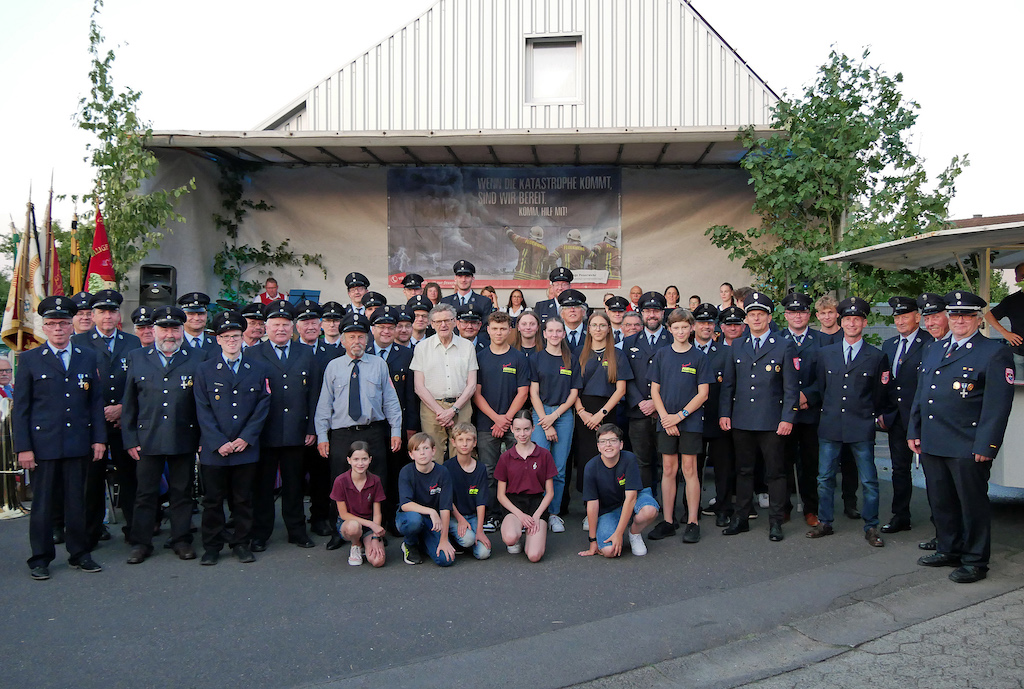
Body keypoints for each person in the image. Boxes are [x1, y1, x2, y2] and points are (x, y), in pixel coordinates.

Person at [909, 291, 1015, 583]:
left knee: (972, 506)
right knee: (941, 501)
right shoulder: (934, 349)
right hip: (933, 441)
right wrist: (914, 431)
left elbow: (997, 406)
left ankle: (975, 561)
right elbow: (922, 395)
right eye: (955, 315)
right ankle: (948, 548)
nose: (959, 321)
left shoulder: (993, 352)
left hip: (967, 444)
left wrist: (987, 445)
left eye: (967, 316)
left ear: (979, 320)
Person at [14, 295, 106, 580]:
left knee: (76, 501)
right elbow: (22, 408)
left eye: (63, 323)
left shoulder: (87, 357)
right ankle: (40, 558)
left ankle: (80, 553)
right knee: (43, 505)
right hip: (44, 445)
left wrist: (99, 439)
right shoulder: (29, 359)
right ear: (43, 327)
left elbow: (94, 402)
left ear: (72, 325)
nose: (58, 329)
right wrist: (24, 448)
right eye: (52, 324)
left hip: (78, 441)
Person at [121, 305, 206, 564]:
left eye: (175, 328)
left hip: (184, 435)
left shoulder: (198, 357)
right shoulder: (137, 356)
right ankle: (141, 542)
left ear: (182, 330)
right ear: (153, 330)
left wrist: (203, 439)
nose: (169, 334)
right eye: (164, 328)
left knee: (182, 493)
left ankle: (181, 539)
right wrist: (130, 438)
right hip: (148, 437)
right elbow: (130, 402)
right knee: (145, 494)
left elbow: (203, 403)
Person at [806, 297, 892, 548]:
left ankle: (871, 526)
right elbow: (821, 388)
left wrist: (867, 414)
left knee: (869, 480)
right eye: (847, 319)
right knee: (824, 478)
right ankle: (825, 521)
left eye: (857, 319)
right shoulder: (824, 354)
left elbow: (879, 394)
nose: (852, 323)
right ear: (841, 322)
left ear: (864, 322)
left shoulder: (876, 356)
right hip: (831, 423)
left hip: (860, 424)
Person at [315, 312, 403, 546]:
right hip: (342, 434)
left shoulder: (379, 364)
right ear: (343, 340)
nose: (357, 342)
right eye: (352, 336)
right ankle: (340, 530)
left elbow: (391, 402)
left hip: (373, 431)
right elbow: (324, 405)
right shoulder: (333, 367)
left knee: (378, 482)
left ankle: (377, 530)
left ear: (368, 339)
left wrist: (395, 431)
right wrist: (322, 436)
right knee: (339, 483)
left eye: (361, 337)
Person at [719, 291, 799, 542]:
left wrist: (787, 418)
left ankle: (776, 522)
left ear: (768, 317)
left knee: (775, 473)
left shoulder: (784, 345)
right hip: (742, 419)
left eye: (760, 315)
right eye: (751, 315)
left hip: (772, 421)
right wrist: (725, 413)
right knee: (743, 471)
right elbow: (728, 385)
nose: (755, 319)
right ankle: (741, 518)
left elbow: (791, 387)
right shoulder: (737, 345)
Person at [193, 311, 271, 565]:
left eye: (236, 336)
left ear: (242, 337)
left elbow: (262, 406)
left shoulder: (257, 369)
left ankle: (241, 542)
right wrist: (218, 442)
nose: (231, 341)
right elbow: (202, 409)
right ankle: (212, 546)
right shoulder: (204, 370)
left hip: (245, 447)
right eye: (226, 337)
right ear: (217, 339)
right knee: (213, 500)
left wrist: (246, 438)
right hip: (215, 449)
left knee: (243, 499)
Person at [71, 289, 142, 547]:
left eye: (112, 311)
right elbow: (76, 386)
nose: (108, 316)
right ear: (92, 315)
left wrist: (123, 407)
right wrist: (100, 410)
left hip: (124, 422)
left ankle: (135, 530)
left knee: (130, 478)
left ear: (118, 314)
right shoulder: (78, 343)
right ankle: (91, 532)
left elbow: (139, 383)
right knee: (91, 481)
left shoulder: (132, 342)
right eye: (102, 311)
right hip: (93, 424)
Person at [246, 301, 319, 552]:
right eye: (276, 324)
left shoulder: (305, 353)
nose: (281, 329)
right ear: (266, 327)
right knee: (263, 486)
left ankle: (297, 531)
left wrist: (311, 428)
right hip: (265, 432)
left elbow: (313, 394)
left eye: (285, 325)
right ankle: (260, 533)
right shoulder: (253, 353)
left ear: (293, 328)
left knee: (294, 486)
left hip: (297, 432)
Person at [648, 308, 711, 543]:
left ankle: (692, 521)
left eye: (685, 327)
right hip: (666, 420)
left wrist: (680, 416)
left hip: (690, 421)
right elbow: (655, 390)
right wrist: (666, 417)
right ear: (669, 329)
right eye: (676, 327)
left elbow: (703, 393)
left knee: (690, 469)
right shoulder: (662, 354)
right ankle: (668, 520)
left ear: (692, 328)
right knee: (668, 469)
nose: (681, 331)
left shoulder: (699, 357)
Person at [878, 296, 932, 534]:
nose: (900, 321)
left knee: (933, 473)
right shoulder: (889, 345)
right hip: (897, 418)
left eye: (905, 316)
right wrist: (882, 411)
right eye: (897, 317)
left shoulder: (930, 342)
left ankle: (940, 522)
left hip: (923, 418)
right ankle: (901, 516)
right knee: (900, 470)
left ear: (917, 317)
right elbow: (885, 382)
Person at [473, 311, 530, 532]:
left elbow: (522, 393)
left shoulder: (518, 358)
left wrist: (506, 420)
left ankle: (519, 515)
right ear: (488, 330)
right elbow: (476, 394)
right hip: (486, 424)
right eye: (495, 328)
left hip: (514, 425)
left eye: (503, 328)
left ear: (509, 330)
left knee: (519, 469)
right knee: (489, 471)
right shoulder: (480, 358)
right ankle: (492, 515)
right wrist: (496, 419)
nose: (499, 332)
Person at [573, 311, 631, 521]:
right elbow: (573, 389)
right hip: (583, 412)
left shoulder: (618, 355)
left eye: (602, 325)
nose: (598, 329)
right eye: (594, 325)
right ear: (588, 329)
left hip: (607, 411)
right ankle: (589, 509)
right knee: (587, 458)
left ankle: (607, 506)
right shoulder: (579, 353)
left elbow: (621, 389)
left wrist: (601, 414)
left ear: (609, 329)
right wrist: (582, 412)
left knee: (607, 457)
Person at [366, 306, 418, 531]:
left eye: (391, 327)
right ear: (373, 329)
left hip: (399, 425)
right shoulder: (363, 352)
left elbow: (410, 395)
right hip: (371, 426)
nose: (386, 332)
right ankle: (371, 517)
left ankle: (393, 518)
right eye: (381, 327)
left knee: (397, 472)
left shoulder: (406, 354)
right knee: (374, 472)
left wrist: (411, 428)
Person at [529, 315, 581, 533]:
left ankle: (554, 514)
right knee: (538, 466)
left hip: (564, 416)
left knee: (558, 469)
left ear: (563, 333)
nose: (554, 335)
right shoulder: (536, 359)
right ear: (544, 333)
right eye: (550, 331)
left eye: (558, 331)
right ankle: (537, 513)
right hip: (541, 414)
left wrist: (555, 417)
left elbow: (574, 393)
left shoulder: (571, 359)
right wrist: (546, 421)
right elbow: (533, 392)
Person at [578, 424, 659, 558]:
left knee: (649, 510)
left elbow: (631, 498)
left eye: (613, 441)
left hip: (635, 499)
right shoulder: (591, 467)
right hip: (610, 509)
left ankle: (634, 533)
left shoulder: (629, 459)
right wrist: (592, 542)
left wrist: (619, 533)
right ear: (598, 446)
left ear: (621, 444)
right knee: (609, 551)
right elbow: (592, 505)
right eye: (603, 441)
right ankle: (616, 528)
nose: (608, 445)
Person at [779, 292, 825, 527]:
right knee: (783, 462)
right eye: (793, 312)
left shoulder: (821, 340)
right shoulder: (776, 339)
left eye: (802, 311)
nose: (798, 316)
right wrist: (792, 399)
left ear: (809, 315)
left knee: (810, 463)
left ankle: (811, 508)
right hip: (785, 414)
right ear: (785, 315)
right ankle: (784, 507)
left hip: (810, 412)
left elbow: (826, 377)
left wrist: (807, 395)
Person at [411, 304, 478, 462]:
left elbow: (472, 385)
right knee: (433, 455)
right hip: (431, 409)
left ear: (455, 321)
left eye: (447, 320)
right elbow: (419, 386)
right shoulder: (422, 348)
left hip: (461, 406)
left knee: (462, 454)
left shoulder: (467, 347)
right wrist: (440, 411)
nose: (443, 325)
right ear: (431, 324)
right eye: (438, 321)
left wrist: (453, 410)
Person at [622, 291, 672, 489]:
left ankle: (666, 506)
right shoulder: (629, 343)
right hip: (638, 410)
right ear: (641, 313)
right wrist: (640, 401)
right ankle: (645, 502)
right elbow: (626, 376)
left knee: (667, 463)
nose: (652, 315)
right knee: (641, 461)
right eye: (648, 311)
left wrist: (656, 402)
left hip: (666, 412)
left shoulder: (672, 340)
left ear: (663, 313)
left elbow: (676, 378)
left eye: (656, 311)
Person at [693, 304, 734, 527]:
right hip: (692, 419)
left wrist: (726, 414)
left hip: (718, 417)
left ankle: (723, 508)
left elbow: (728, 387)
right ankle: (692, 508)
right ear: (694, 325)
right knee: (692, 468)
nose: (706, 327)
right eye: (701, 323)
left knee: (723, 467)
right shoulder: (684, 349)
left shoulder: (725, 353)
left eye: (710, 323)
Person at [495, 411, 556, 561]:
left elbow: (549, 493)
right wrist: (521, 516)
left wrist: (536, 516)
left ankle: (534, 535)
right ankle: (517, 536)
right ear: (512, 430)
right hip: (514, 505)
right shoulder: (506, 457)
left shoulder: (544, 454)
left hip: (536, 504)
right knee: (510, 537)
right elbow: (501, 495)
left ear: (533, 428)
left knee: (534, 556)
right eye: (518, 430)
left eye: (526, 429)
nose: (522, 434)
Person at [396, 433, 456, 567]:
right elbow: (405, 504)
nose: (422, 453)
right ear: (411, 455)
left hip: (432, 523)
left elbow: (445, 507)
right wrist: (431, 512)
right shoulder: (406, 472)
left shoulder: (443, 472)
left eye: (426, 448)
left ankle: (423, 542)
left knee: (445, 560)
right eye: (417, 450)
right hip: (409, 517)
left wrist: (444, 539)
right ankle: (410, 544)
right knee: (414, 521)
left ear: (434, 451)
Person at [331, 441, 387, 567]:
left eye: (364, 459)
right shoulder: (340, 481)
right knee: (353, 527)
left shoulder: (375, 481)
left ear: (370, 460)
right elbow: (344, 514)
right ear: (349, 460)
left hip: (369, 526)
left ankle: (367, 542)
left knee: (378, 561)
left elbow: (377, 513)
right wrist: (372, 525)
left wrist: (375, 537)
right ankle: (356, 545)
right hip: (349, 523)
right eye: (356, 459)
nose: (360, 463)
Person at [443, 423, 492, 560]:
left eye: (468, 440)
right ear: (453, 442)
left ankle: (467, 543)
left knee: (483, 553)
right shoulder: (447, 468)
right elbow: (447, 499)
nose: (464, 444)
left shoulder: (481, 468)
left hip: (473, 516)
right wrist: (460, 519)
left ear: (475, 442)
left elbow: (481, 500)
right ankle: (456, 539)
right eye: (460, 440)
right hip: (454, 516)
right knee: (468, 539)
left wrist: (480, 531)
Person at [984, 261, 1024, 378]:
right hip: (1020, 353)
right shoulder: (1011, 300)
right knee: (1019, 391)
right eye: (1023, 276)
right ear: (1017, 279)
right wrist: (1005, 333)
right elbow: (989, 316)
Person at [559, 289, 588, 357]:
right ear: (562, 314)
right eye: (568, 307)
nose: (572, 310)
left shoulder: (591, 332)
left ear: (583, 312)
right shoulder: (556, 334)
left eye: (576, 307)